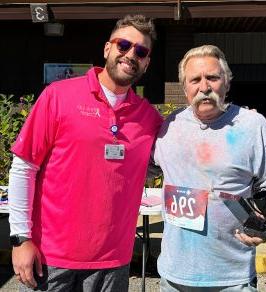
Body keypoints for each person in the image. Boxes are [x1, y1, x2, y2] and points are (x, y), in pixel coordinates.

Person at [8, 14, 162, 291]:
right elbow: (24, 166)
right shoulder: (58, 96)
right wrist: (20, 239)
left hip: (114, 262)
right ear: (107, 48)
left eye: (140, 51)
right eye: (123, 45)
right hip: (51, 258)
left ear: (147, 62)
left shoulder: (149, 118)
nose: (130, 55)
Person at [152, 45, 266, 291]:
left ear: (226, 83)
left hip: (232, 277)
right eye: (195, 79)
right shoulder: (167, 128)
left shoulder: (253, 126)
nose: (204, 87)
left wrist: (263, 219)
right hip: (173, 276)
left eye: (212, 78)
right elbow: (140, 168)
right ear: (184, 88)